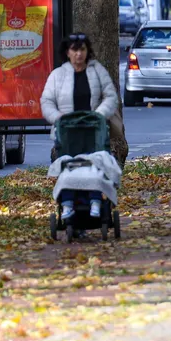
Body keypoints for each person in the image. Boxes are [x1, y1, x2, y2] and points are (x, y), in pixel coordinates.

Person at [41, 33, 120, 222]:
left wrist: (99, 115)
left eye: (82, 49)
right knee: (69, 167)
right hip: (68, 132)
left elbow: (110, 96)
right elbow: (46, 101)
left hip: (93, 130)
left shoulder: (97, 71)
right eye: (75, 50)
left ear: (87, 51)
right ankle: (68, 203)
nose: (79, 54)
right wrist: (59, 118)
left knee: (94, 166)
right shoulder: (58, 75)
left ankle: (95, 200)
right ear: (68, 52)